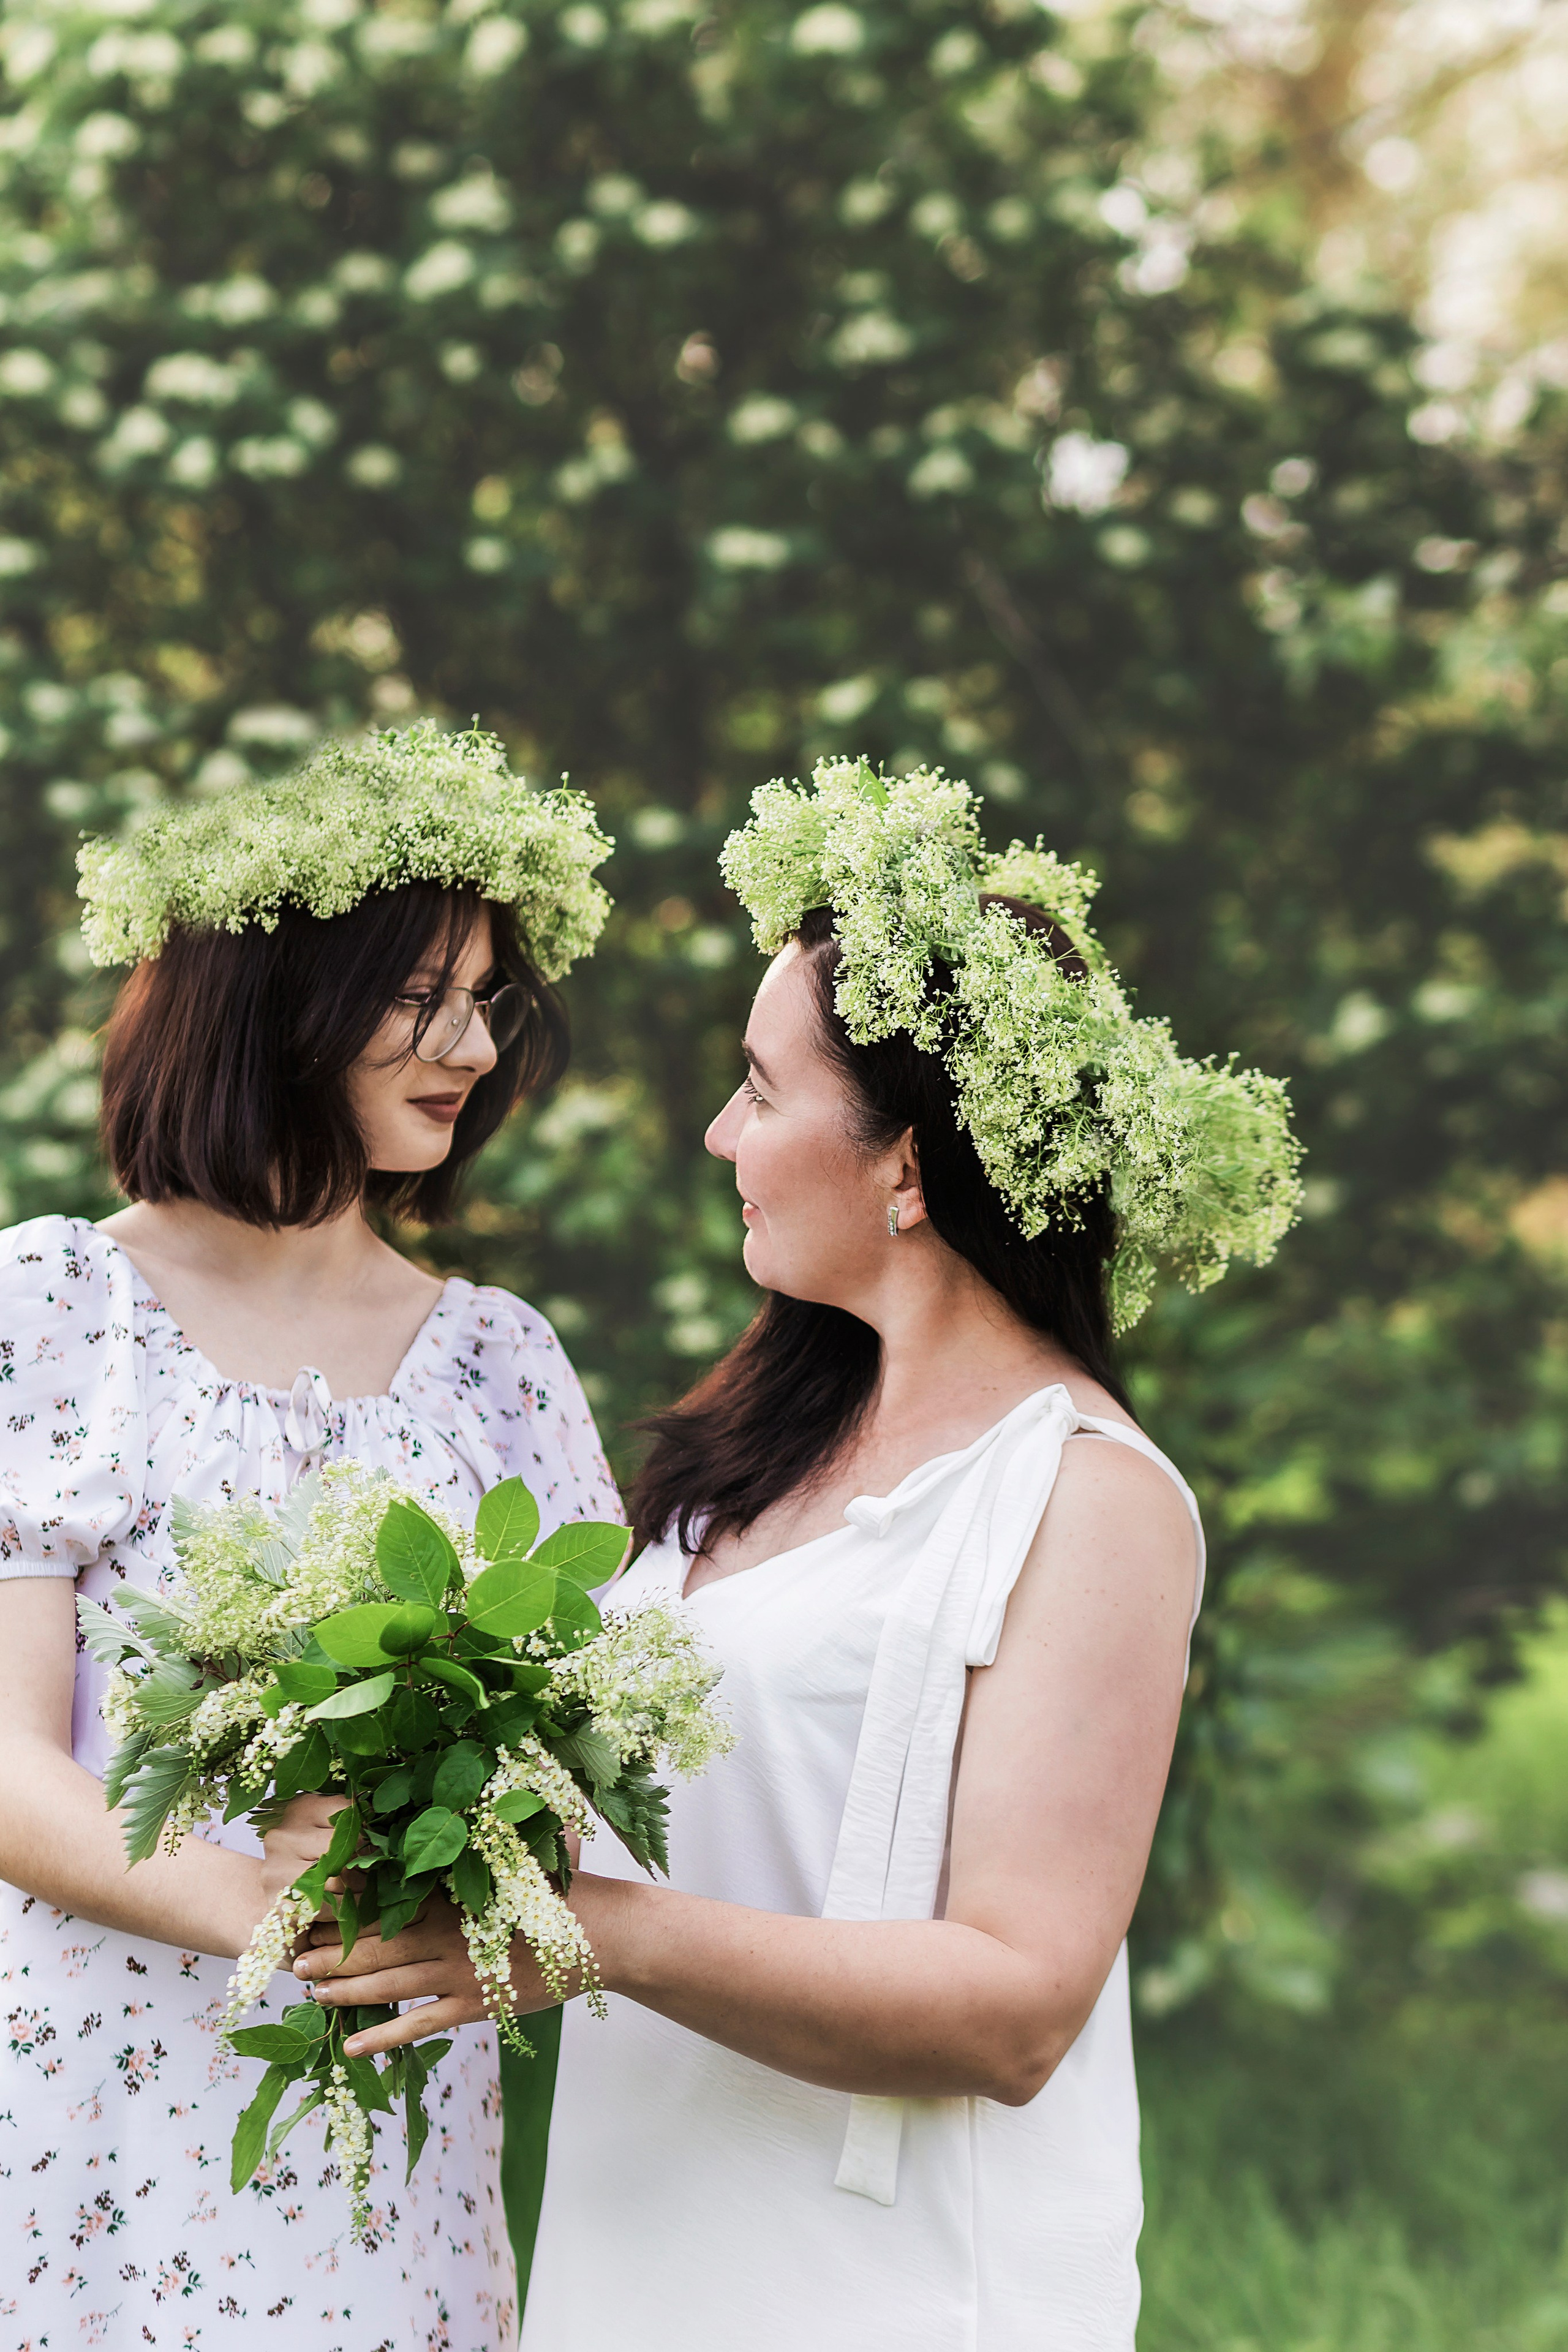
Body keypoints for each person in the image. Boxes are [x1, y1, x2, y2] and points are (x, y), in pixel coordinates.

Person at [295, 758, 1302, 2349]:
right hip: (641, 2258)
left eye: (761, 1091)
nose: (719, 1135)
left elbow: (1020, 2006)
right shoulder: (761, 1448)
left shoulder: (1087, 1496)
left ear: (907, 1161)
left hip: (886, 2294)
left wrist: (588, 1933)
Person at [0, 723, 619, 2351]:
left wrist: (463, 1855)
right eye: (418, 996)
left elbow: (583, 1758)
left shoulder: (502, 1365)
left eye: (484, 999)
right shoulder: (56, 1306)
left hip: (382, 2129)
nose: (469, 1044)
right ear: (276, 999)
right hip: (86, 2112)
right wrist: (273, 1910)